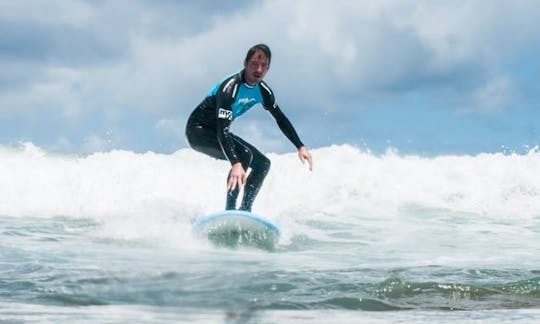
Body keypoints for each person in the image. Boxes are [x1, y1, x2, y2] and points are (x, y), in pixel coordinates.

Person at [185, 43, 313, 212]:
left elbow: (280, 118)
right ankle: (230, 211)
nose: (258, 69)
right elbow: (222, 130)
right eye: (254, 64)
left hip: (220, 132)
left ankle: (245, 212)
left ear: (268, 69)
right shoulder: (230, 88)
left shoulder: (263, 91)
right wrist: (235, 162)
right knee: (243, 155)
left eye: (263, 66)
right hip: (198, 131)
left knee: (263, 164)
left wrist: (300, 146)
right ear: (245, 64)